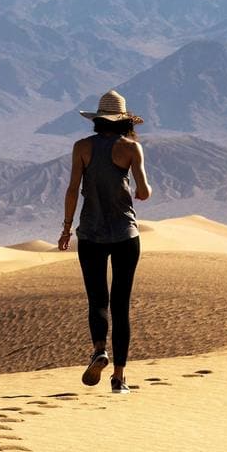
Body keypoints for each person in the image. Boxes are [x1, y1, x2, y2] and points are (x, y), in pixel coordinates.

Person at [58, 90, 152, 394]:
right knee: (121, 304)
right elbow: (145, 191)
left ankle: (99, 349)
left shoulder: (82, 147)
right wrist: (134, 187)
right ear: (124, 121)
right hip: (125, 234)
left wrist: (66, 227)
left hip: (91, 234)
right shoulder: (131, 148)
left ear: (98, 120)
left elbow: (73, 189)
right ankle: (119, 377)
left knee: (97, 299)